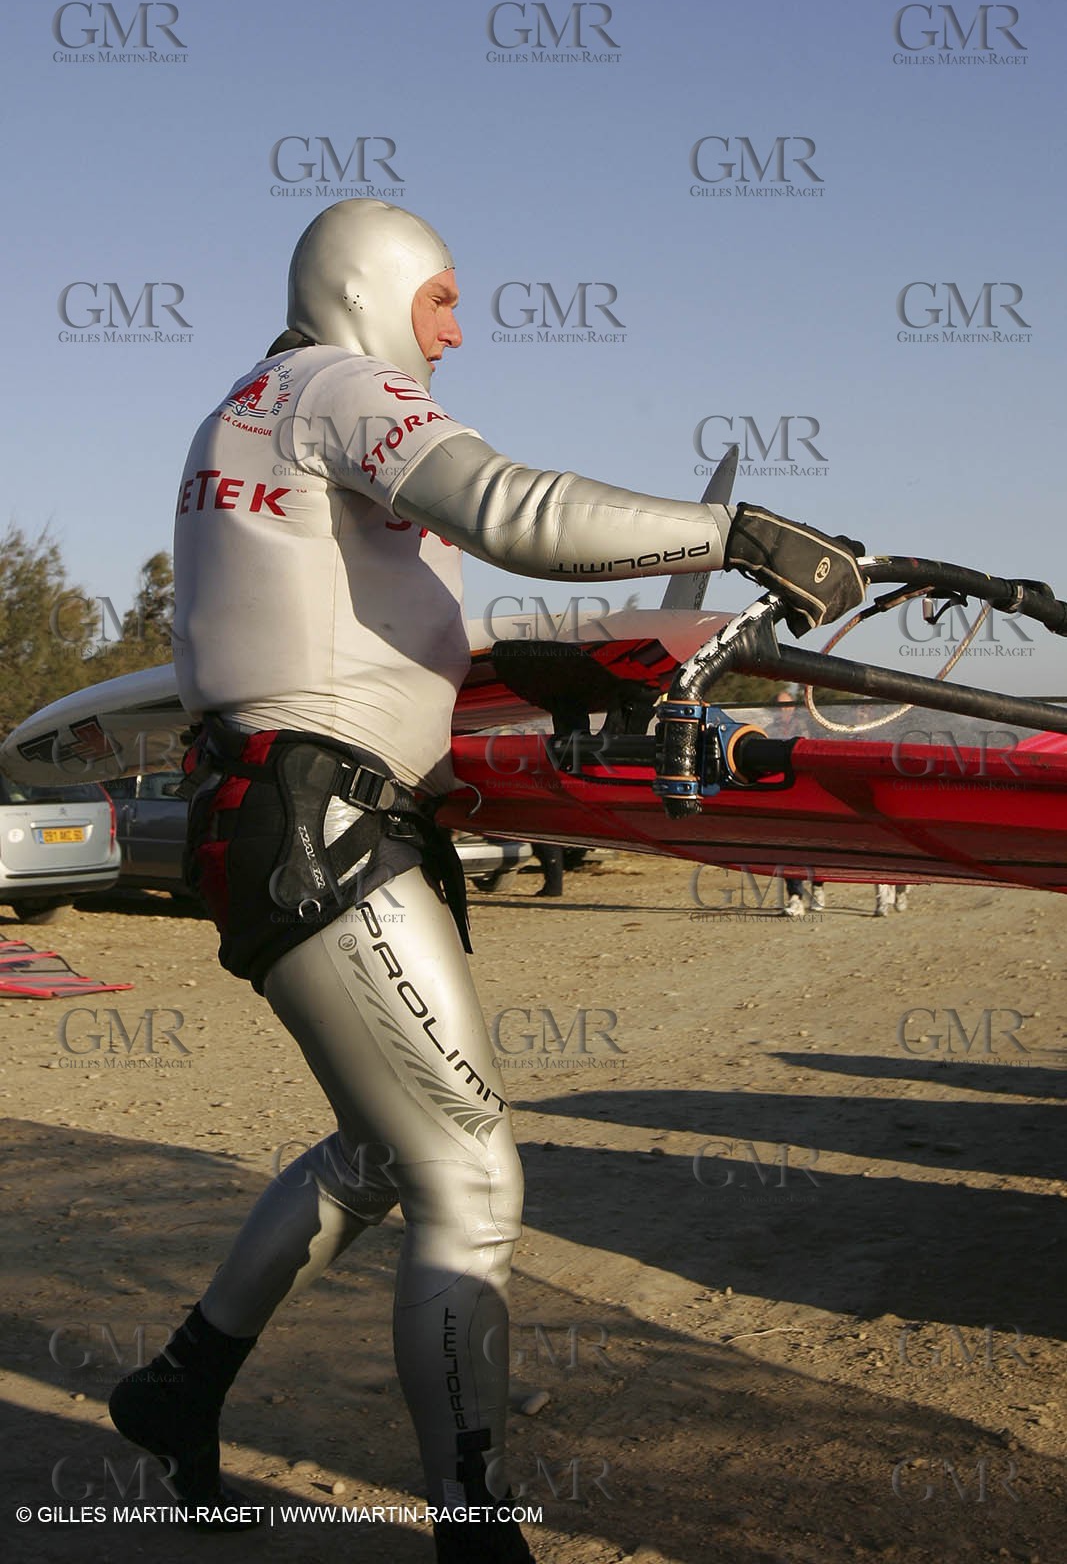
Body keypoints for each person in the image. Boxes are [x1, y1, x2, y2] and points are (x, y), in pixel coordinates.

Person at [106, 198, 866, 1563]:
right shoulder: (337, 385)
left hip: (297, 808)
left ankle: (178, 1389)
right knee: (470, 1178)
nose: (457, 333)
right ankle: (476, 1532)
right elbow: (517, 508)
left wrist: (556, 680)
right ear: (371, 286)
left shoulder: (260, 409)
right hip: (320, 817)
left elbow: (345, 640)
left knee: (375, 1153)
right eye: (444, 299)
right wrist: (738, 534)